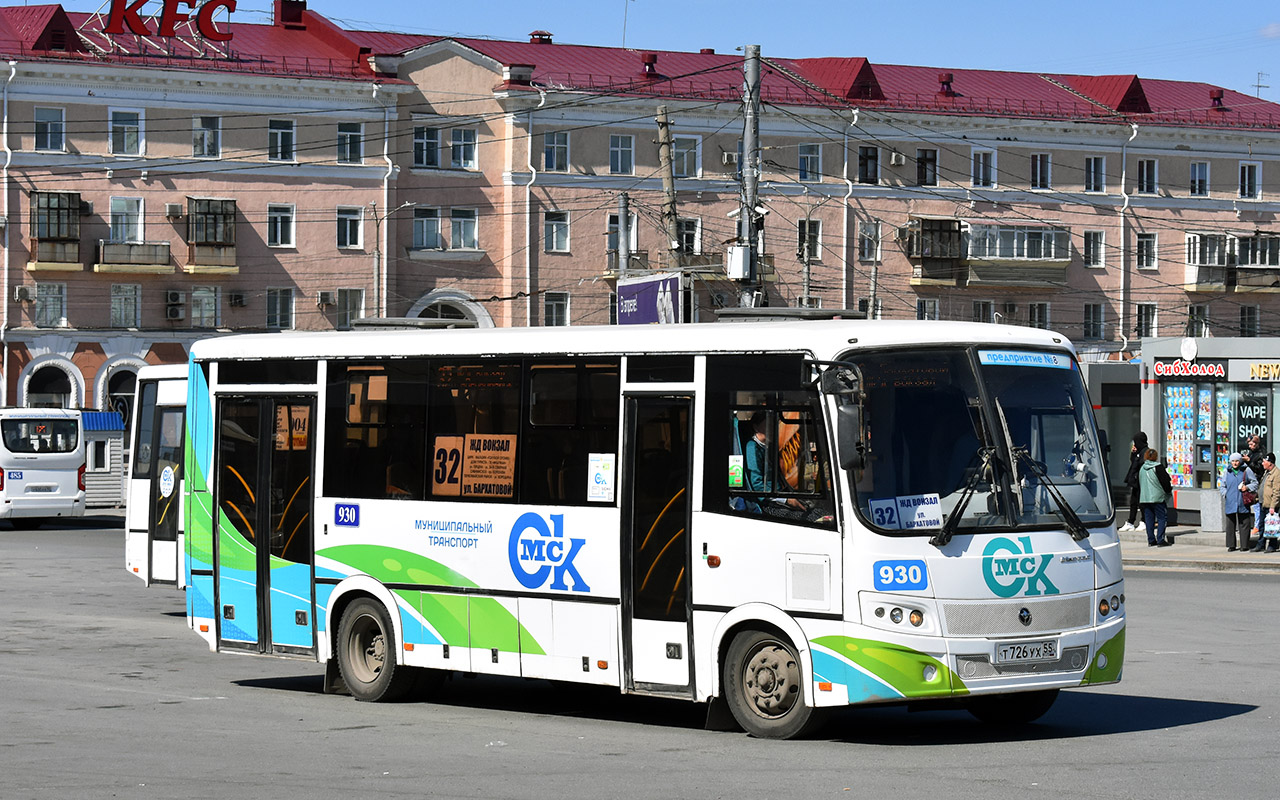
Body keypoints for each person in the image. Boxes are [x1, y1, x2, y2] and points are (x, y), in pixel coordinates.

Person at [1219, 452, 1258, 552]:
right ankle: (1231, 545)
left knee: (1244, 523)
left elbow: (1255, 483)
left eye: (1237, 461)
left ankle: (1244, 545)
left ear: (1240, 461)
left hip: (1242, 501)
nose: (1235, 463)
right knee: (1230, 524)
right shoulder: (1227, 472)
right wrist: (1225, 494)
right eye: (1233, 461)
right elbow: (1222, 486)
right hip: (1230, 501)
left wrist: (1247, 487)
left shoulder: (1246, 470)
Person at [1137, 448, 1172, 547]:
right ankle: (1160, 539)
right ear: (1155, 457)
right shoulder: (1158, 467)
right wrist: (1168, 491)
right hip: (1157, 497)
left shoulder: (1142, 468)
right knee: (1162, 518)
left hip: (1145, 498)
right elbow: (1165, 482)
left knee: (1149, 519)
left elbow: (1139, 484)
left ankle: (1151, 540)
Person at [1119, 431, 1148, 532]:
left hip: (1142, 482)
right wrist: (1133, 453)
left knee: (1142, 503)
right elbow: (1133, 462)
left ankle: (1144, 521)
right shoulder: (1139, 452)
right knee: (1133, 502)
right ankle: (1131, 522)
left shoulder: (1146, 452)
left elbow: (1142, 465)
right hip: (1136, 481)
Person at [1254, 452, 1280, 553]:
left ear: (1270, 463)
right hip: (1262, 503)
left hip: (1271, 505)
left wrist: (1273, 506)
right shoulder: (1266, 472)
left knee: (1272, 526)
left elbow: (1277, 492)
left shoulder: (1276, 474)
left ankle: (1272, 546)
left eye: (1264, 461)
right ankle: (1261, 544)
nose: (1262, 463)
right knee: (1262, 525)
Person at [1242, 434, 1266, 535]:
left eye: (1252, 444)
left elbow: (1259, 468)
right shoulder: (1252, 452)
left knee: (1257, 504)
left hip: (1257, 480)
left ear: (1256, 444)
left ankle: (1257, 526)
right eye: (1249, 444)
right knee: (1252, 503)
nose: (1250, 446)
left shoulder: (1261, 453)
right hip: (1251, 480)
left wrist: (1249, 461)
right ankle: (1256, 525)